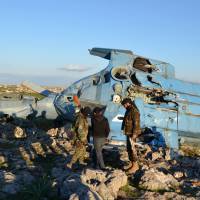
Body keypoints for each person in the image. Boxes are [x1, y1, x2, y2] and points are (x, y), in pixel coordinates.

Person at [121, 98, 141, 174]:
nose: (124, 106)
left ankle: (135, 166)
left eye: (125, 105)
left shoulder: (134, 111)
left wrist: (134, 135)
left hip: (132, 134)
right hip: (129, 133)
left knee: (133, 150)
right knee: (129, 149)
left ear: (129, 103)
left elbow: (136, 124)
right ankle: (132, 163)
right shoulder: (129, 110)